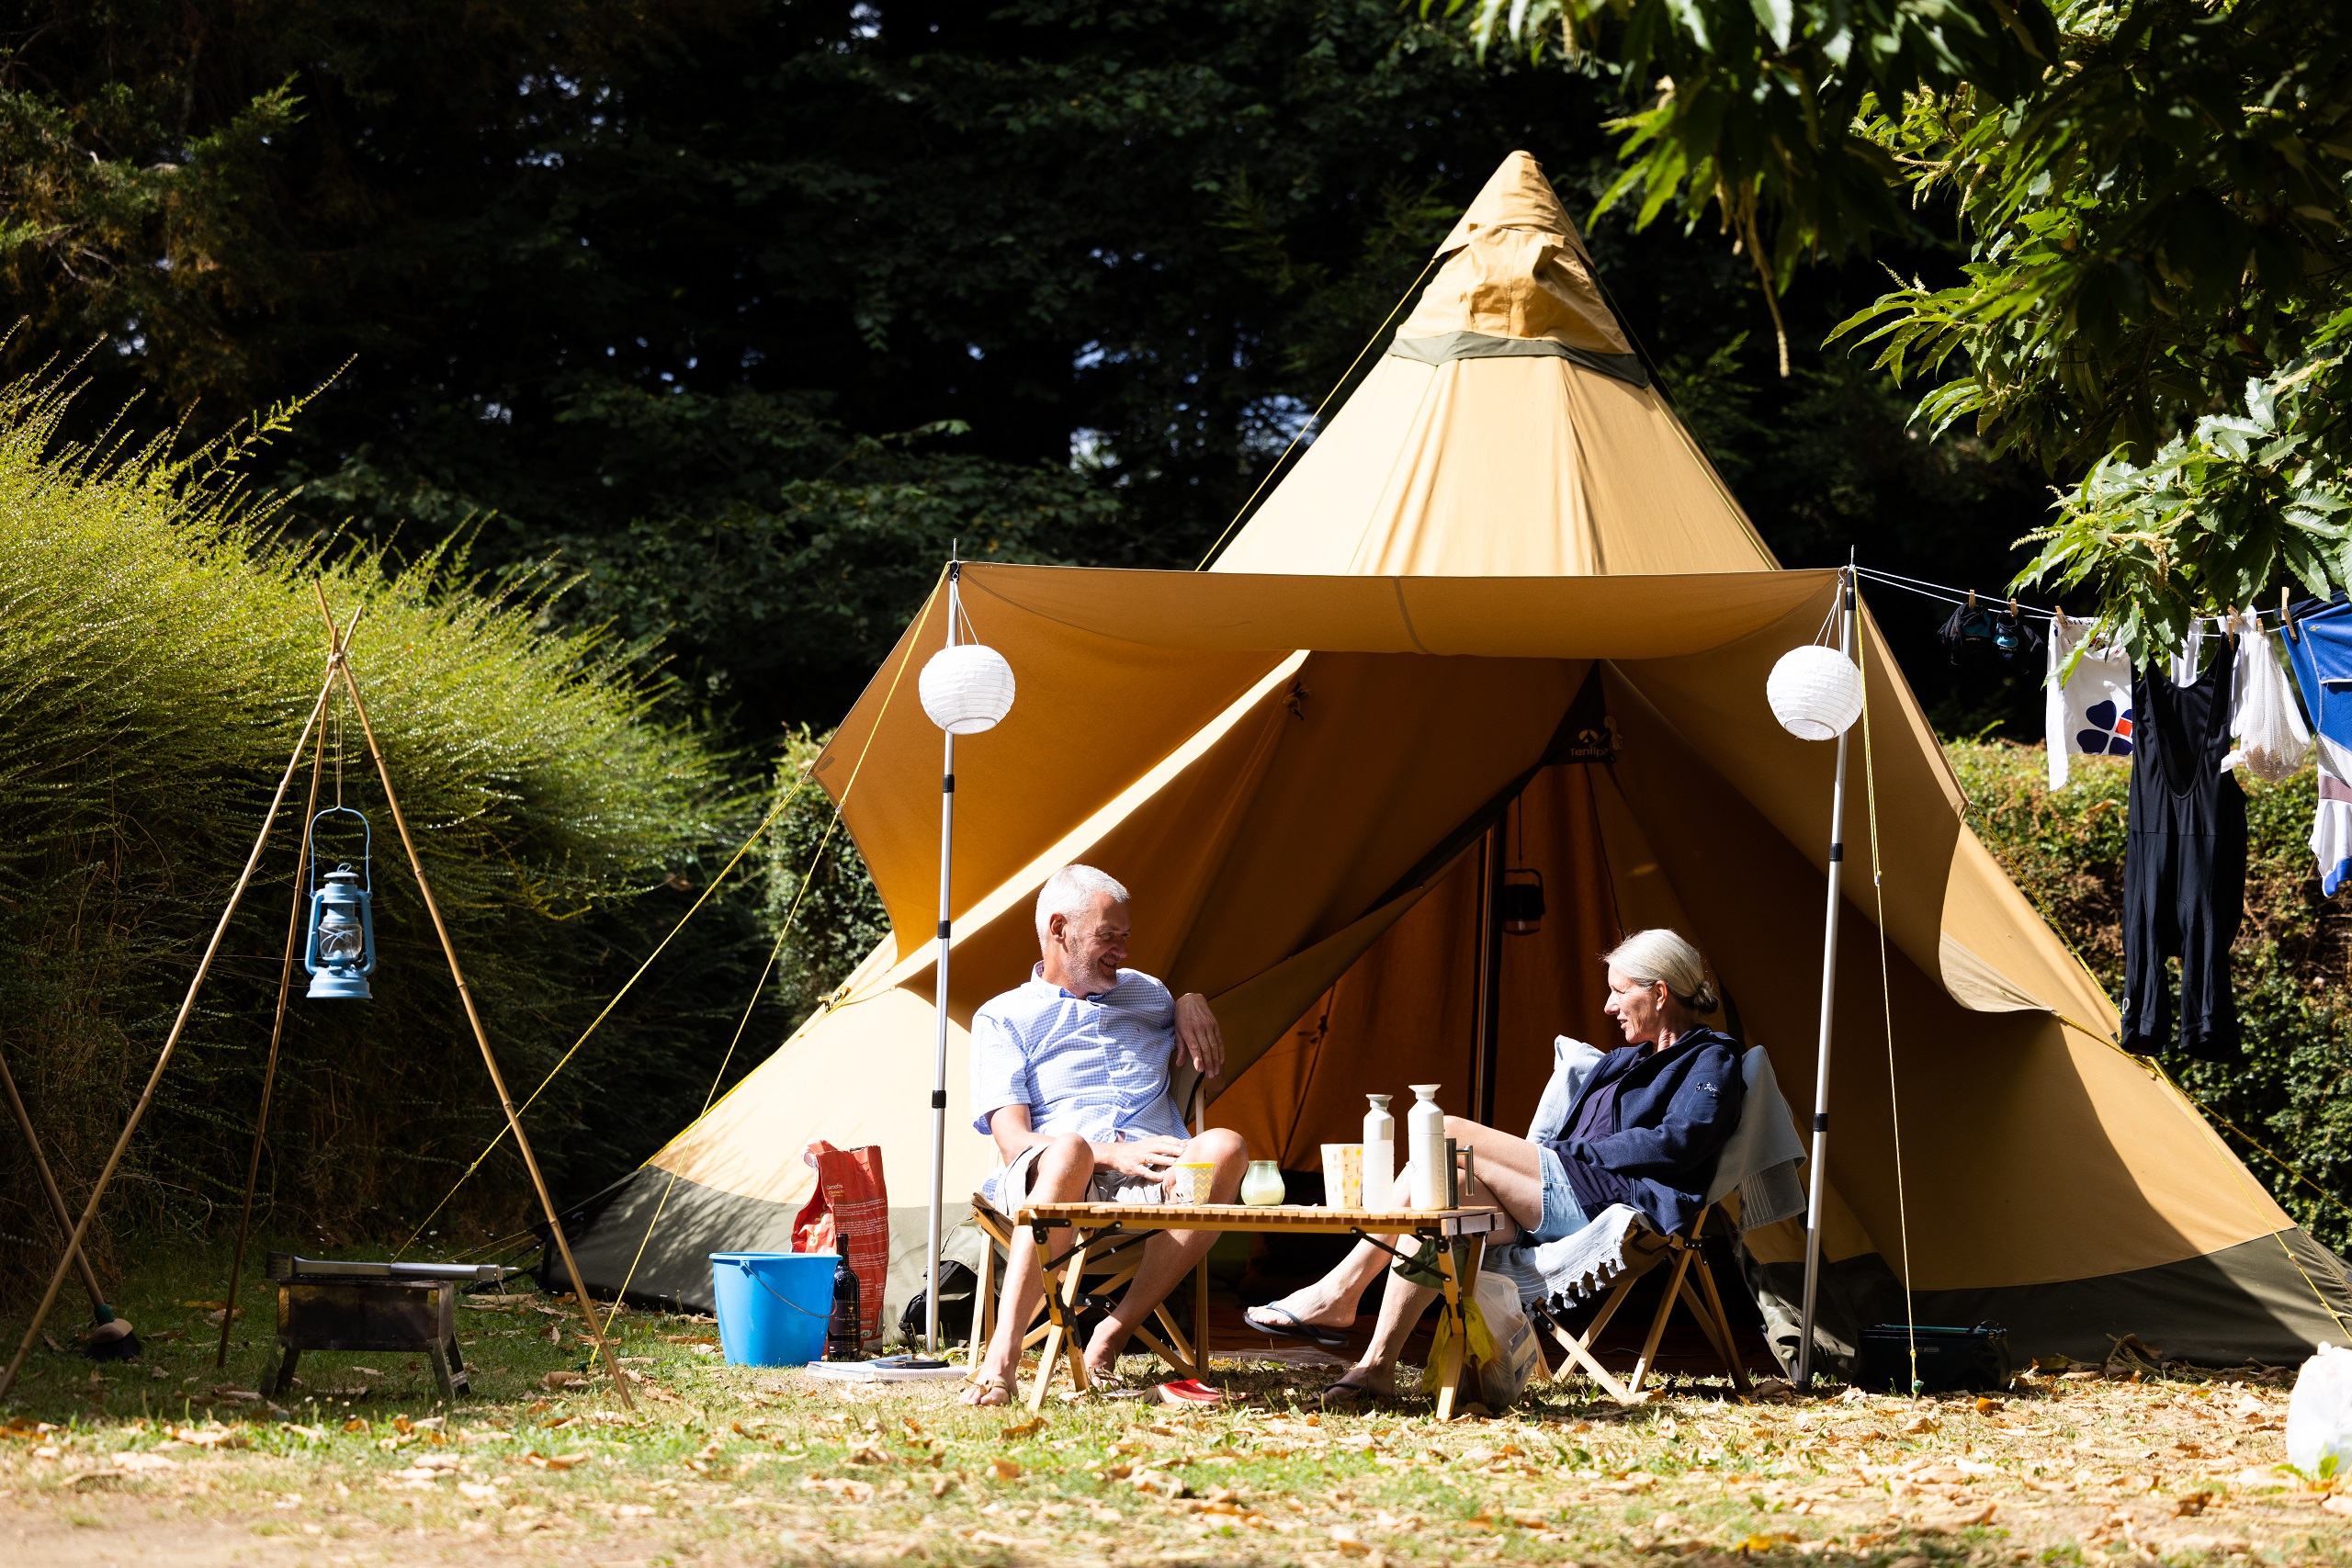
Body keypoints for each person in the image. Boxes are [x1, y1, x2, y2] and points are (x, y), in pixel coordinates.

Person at [1242, 928, 1744, 1408]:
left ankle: (1340, 1290)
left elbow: (1682, 1141)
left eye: (1618, 992)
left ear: (1658, 992)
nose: (1609, 1006)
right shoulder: (1628, 1060)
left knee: (1448, 1132)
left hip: (1613, 1200)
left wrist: (1574, 1156)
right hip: (1566, 1189)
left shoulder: (1709, 1059)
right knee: (1438, 1192)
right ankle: (1377, 1365)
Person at [959, 864, 1248, 1406]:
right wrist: (1106, 1153)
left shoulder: (1152, 996)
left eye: (1125, 937)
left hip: (1159, 1176)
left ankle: (1111, 1335)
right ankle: (1001, 1361)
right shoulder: (1003, 1017)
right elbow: (1012, 1139)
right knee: (1069, 1148)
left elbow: (1213, 1075)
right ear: (1059, 928)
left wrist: (1191, 1001)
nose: (1121, 950)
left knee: (1224, 1146)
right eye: (1107, 937)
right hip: (1057, 1181)